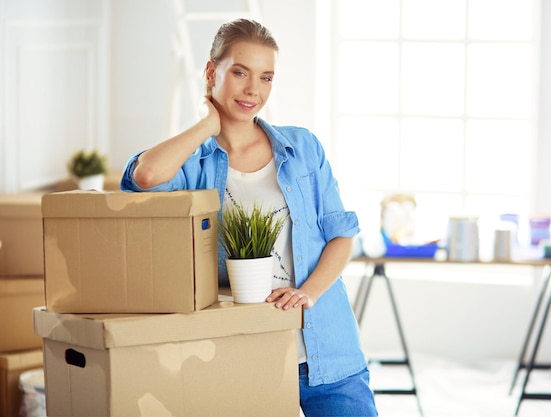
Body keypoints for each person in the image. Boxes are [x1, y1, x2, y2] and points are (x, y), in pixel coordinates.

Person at [120, 18, 378, 417]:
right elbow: (145, 177)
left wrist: (307, 292)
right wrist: (206, 124)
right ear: (211, 72)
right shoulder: (196, 164)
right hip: (244, 351)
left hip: (328, 352)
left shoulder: (303, 147)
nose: (253, 90)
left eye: (266, 77)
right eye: (240, 72)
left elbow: (342, 236)